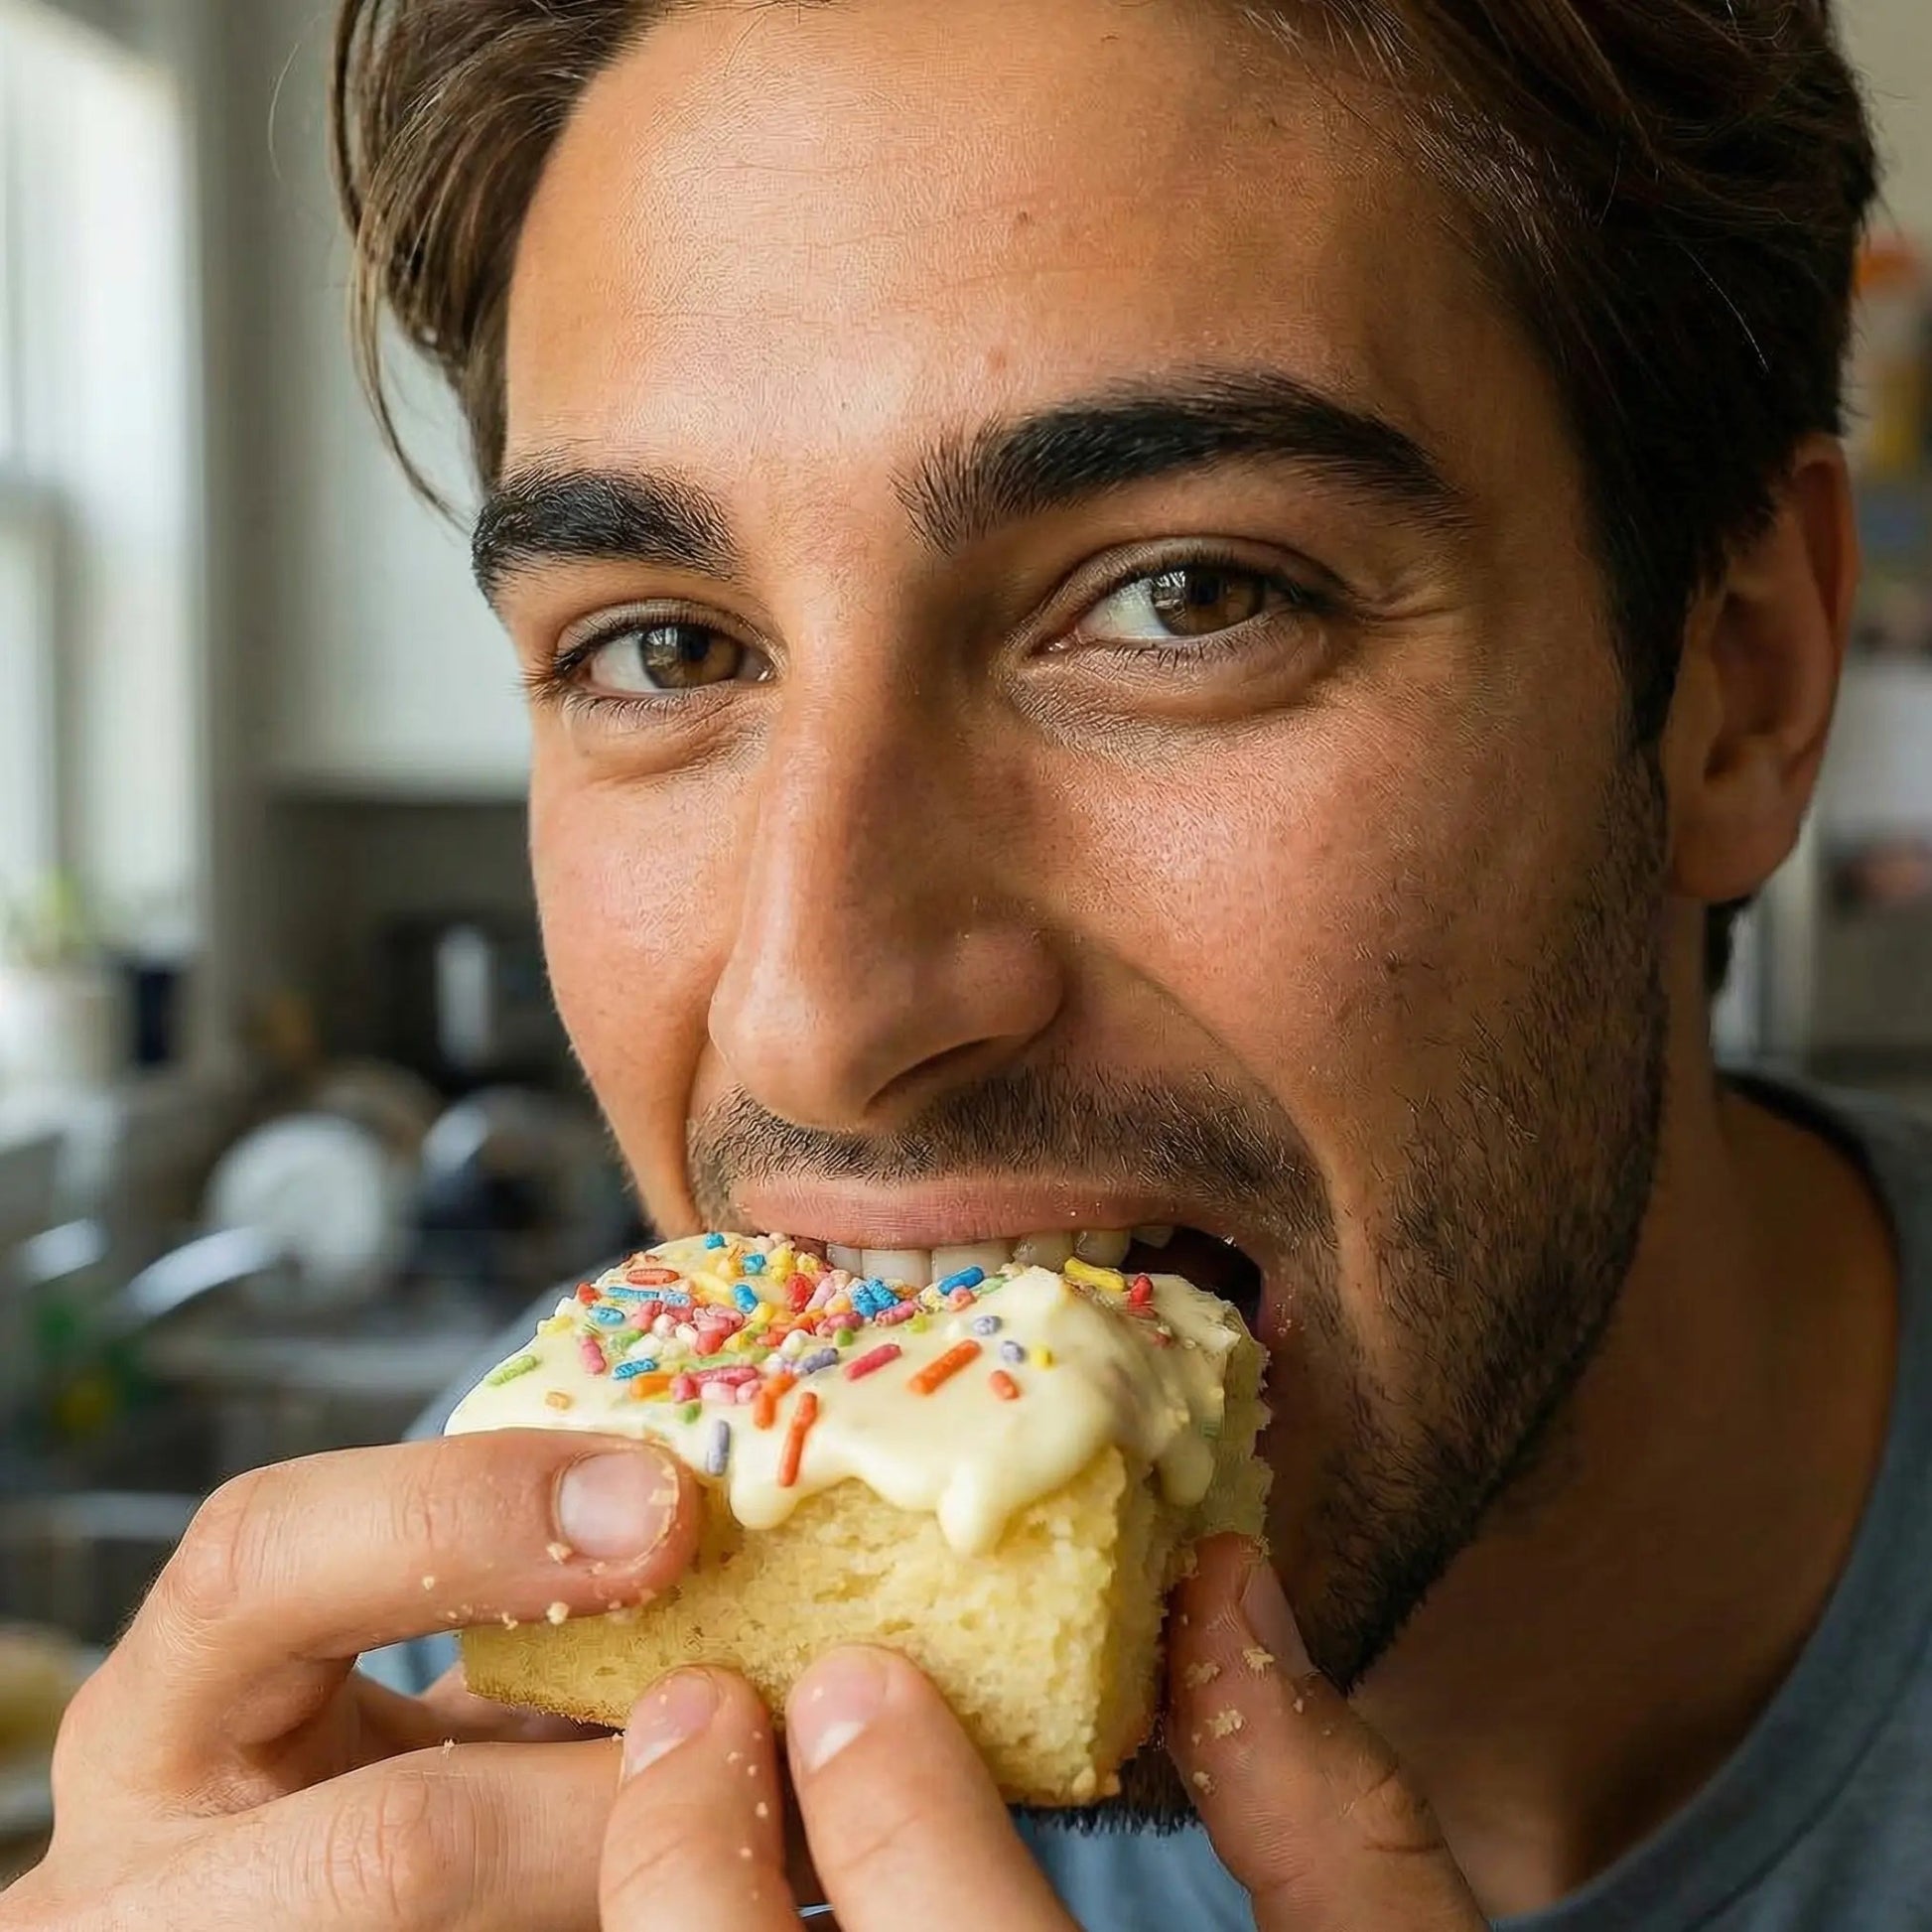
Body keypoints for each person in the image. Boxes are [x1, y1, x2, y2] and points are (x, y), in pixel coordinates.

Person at [7, 0, 1926, 1925]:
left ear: (1742, 680)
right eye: (661, 651)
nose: (818, 1017)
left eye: (1186, 598)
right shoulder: (452, 1686)